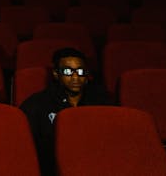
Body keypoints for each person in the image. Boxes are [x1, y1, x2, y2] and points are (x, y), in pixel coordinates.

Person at [20, 47, 113, 175]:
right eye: (68, 71)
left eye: (80, 71)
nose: (75, 77)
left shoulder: (102, 103)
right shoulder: (36, 104)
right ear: (56, 74)